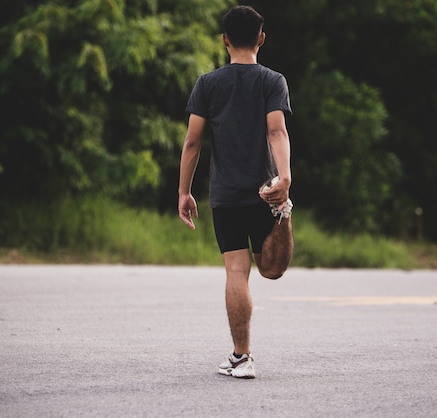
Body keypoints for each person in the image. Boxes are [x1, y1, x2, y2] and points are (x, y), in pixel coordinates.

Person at [177, 5, 293, 379]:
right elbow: (277, 131)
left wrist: (184, 191)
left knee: (236, 272)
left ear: (224, 40)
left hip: (225, 195)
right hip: (265, 190)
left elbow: (192, 143)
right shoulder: (273, 81)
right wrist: (285, 177)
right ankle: (285, 211)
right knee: (271, 271)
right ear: (261, 38)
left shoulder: (207, 83)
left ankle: (242, 358)